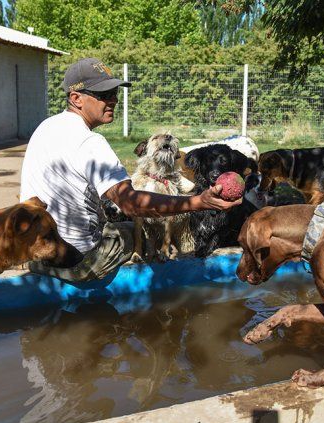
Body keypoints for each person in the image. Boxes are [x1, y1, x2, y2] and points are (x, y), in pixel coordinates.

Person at [19, 58, 240, 281]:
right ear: (76, 98)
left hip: (39, 255)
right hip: (78, 261)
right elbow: (131, 203)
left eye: (114, 92)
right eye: (103, 95)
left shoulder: (44, 128)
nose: (113, 100)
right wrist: (198, 202)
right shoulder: (90, 142)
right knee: (133, 230)